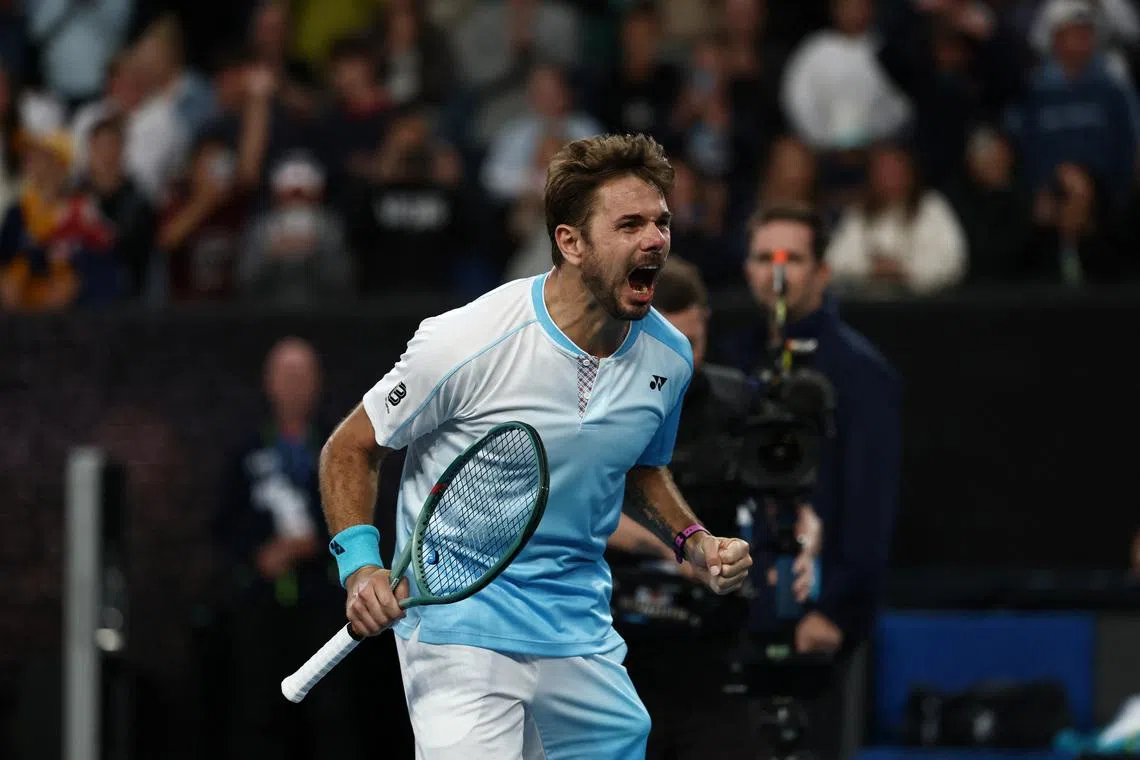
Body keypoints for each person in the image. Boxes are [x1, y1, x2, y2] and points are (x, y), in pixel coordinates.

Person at [318, 133, 753, 759]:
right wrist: (361, 567)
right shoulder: (462, 341)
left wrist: (695, 542)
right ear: (570, 242)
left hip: (579, 628)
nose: (656, 240)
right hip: (458, 630)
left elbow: (639, 467)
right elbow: (350, 447)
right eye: (629, 223)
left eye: (661, 221)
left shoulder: (670, 357)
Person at [605, 256, 821, 760]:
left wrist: (804, 543)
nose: (681, 362)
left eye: (691, 345)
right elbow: (580, 502)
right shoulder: (599, 401)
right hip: (615, 639)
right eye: (666, 348)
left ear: (704, 322)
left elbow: (789, 487)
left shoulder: (737, 401)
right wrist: (681, 552)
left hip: (711, 644)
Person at [735, 202, 902, 759]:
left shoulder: (859, 372)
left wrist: (834, 610)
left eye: (791, 258)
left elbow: (871, 502)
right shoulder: (736, 364)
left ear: (822, 272)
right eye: (763, 257)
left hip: (818, 620)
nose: (775, 272)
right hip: (742, 613)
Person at [213, 338, 359, 759]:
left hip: (325, 605)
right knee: (258, 713)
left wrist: (317, 546)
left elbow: (366, 515)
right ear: (269, 382)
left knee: (332, 715)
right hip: (259, 606)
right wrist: (259, 556)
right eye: (286, 375)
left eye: (304, 375)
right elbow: (222, 526)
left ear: (318, 382)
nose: (295, 385)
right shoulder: (244, 451)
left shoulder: (339, 446)